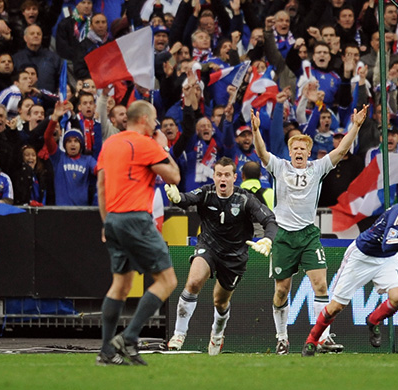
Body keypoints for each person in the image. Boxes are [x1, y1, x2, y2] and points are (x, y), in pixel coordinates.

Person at [251, 105, 368, 354]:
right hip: (282, 235)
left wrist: (355, 126)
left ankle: (322, 337)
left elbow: (341, 150)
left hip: (308, 235)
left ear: (309, 152)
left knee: (321, 286)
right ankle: (282, 337)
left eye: (303, 149)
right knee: (282, 290)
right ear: (290, 152)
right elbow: (261, 153)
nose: (299, 152)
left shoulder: (317, 168)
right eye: (295, 149)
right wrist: (256, 131)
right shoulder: (280, 167)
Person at [302, 175, 398, 356]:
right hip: (363, 255)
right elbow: (387, 243)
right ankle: (311, 341)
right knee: (336, 306)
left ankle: (373, 320)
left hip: (387, 258)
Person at [95, 100, 180, 366]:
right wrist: (162, 146)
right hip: (136, 218)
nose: (157, 125)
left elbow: (101, 184)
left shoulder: (110, 144)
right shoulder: (145, 144)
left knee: (120, 285)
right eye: (154, 120)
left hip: (114, 220)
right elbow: (174, 176)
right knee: (167, 281)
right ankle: (129, 337)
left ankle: (106, 352)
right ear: (143, 119)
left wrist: (107, 222)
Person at [164, 157, 277, 355]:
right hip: (208, 247)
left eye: (226, 175)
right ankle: (179, 334)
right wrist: (177, 197)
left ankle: (217, 333)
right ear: (214, 176)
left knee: (220, 301)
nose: (222, 178)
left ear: (235, 177)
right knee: (193, 282)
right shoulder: (206, 193)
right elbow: (187, 199)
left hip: (234, 255)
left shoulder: (245, 199)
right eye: (219, 174)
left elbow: (269, 220)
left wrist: (268, 239)